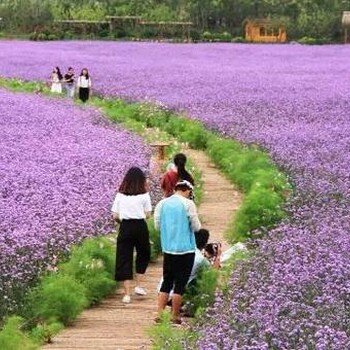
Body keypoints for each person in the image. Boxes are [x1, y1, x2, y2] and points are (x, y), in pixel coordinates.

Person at [154, 179, 201, 324]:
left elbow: (157, 226)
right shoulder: (188, 204)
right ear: (188, 190)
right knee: (180, 283)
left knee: (167, 281)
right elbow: (196, 227)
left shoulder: (162, 203)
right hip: (185, 250)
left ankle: (160, 315)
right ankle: (175, 316)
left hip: (168, 249)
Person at [111, 167, 152, 304]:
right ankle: (138, 285)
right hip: (140, 226)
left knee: (124, 257)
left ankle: (127, 294)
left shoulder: (120, 195)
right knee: (143, 253)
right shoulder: (145, 195)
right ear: (141, 181)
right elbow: (148, 214)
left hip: (126, 226)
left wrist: (121, 221)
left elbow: (115, 215)